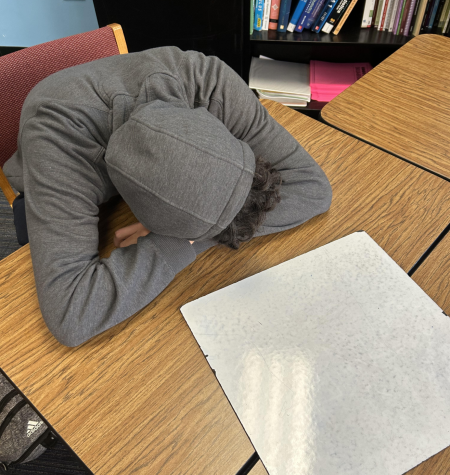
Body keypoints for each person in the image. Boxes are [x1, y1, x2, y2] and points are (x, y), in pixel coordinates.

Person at [3, 46, 332, 348]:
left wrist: (191, 238)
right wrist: (184, 239)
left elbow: (312, 189)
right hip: (53, 184)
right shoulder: (55, 143)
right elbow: (72, 312)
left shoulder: (207, 81)